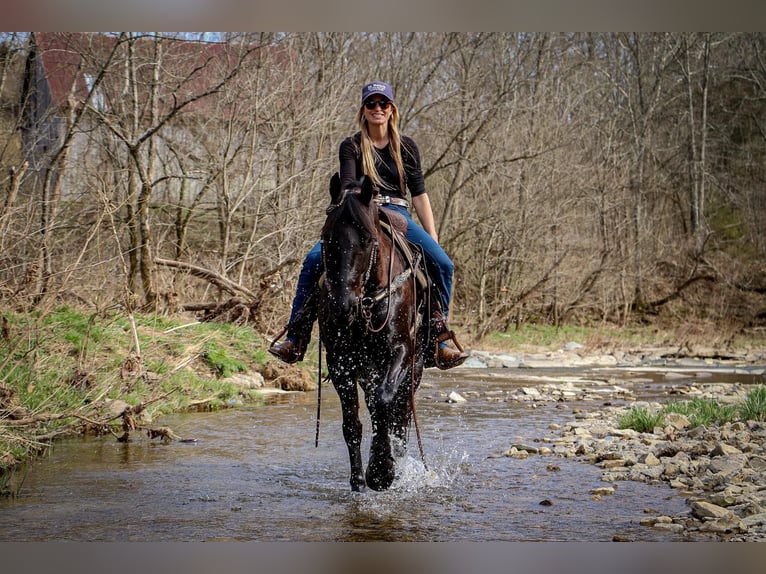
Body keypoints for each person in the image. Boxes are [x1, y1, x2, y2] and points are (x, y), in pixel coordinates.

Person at [269, 81, 468, 370]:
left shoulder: (407, 147)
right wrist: (364, 206)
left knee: (443, 264)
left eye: (383, 103)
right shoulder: (351, 146)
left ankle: (439, 339)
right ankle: (296, 337)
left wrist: (432, 236)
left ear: (391, 109)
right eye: (371, 104)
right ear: (364, 110)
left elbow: (419, 195)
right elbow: (349, 186)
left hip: (399, 213)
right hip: (361, 212)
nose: (377, 108)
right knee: (313, 261)